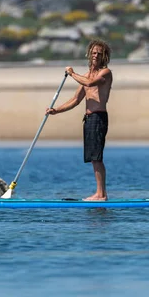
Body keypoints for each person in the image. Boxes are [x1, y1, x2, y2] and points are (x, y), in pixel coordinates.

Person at [45, 39, 113, 201]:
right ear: (89, 55)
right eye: (93, 53)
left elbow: (89, 83)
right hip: (88, 118)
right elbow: (76, 100)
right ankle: (99, 193)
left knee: (97, 157)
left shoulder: (105, 73)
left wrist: (72, 73)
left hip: (98, 117)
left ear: (104, 56)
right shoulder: (86, 76)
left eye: (99, 53)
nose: (96, 56)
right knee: (92, 158)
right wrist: (56, 111)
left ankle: (101, 195)